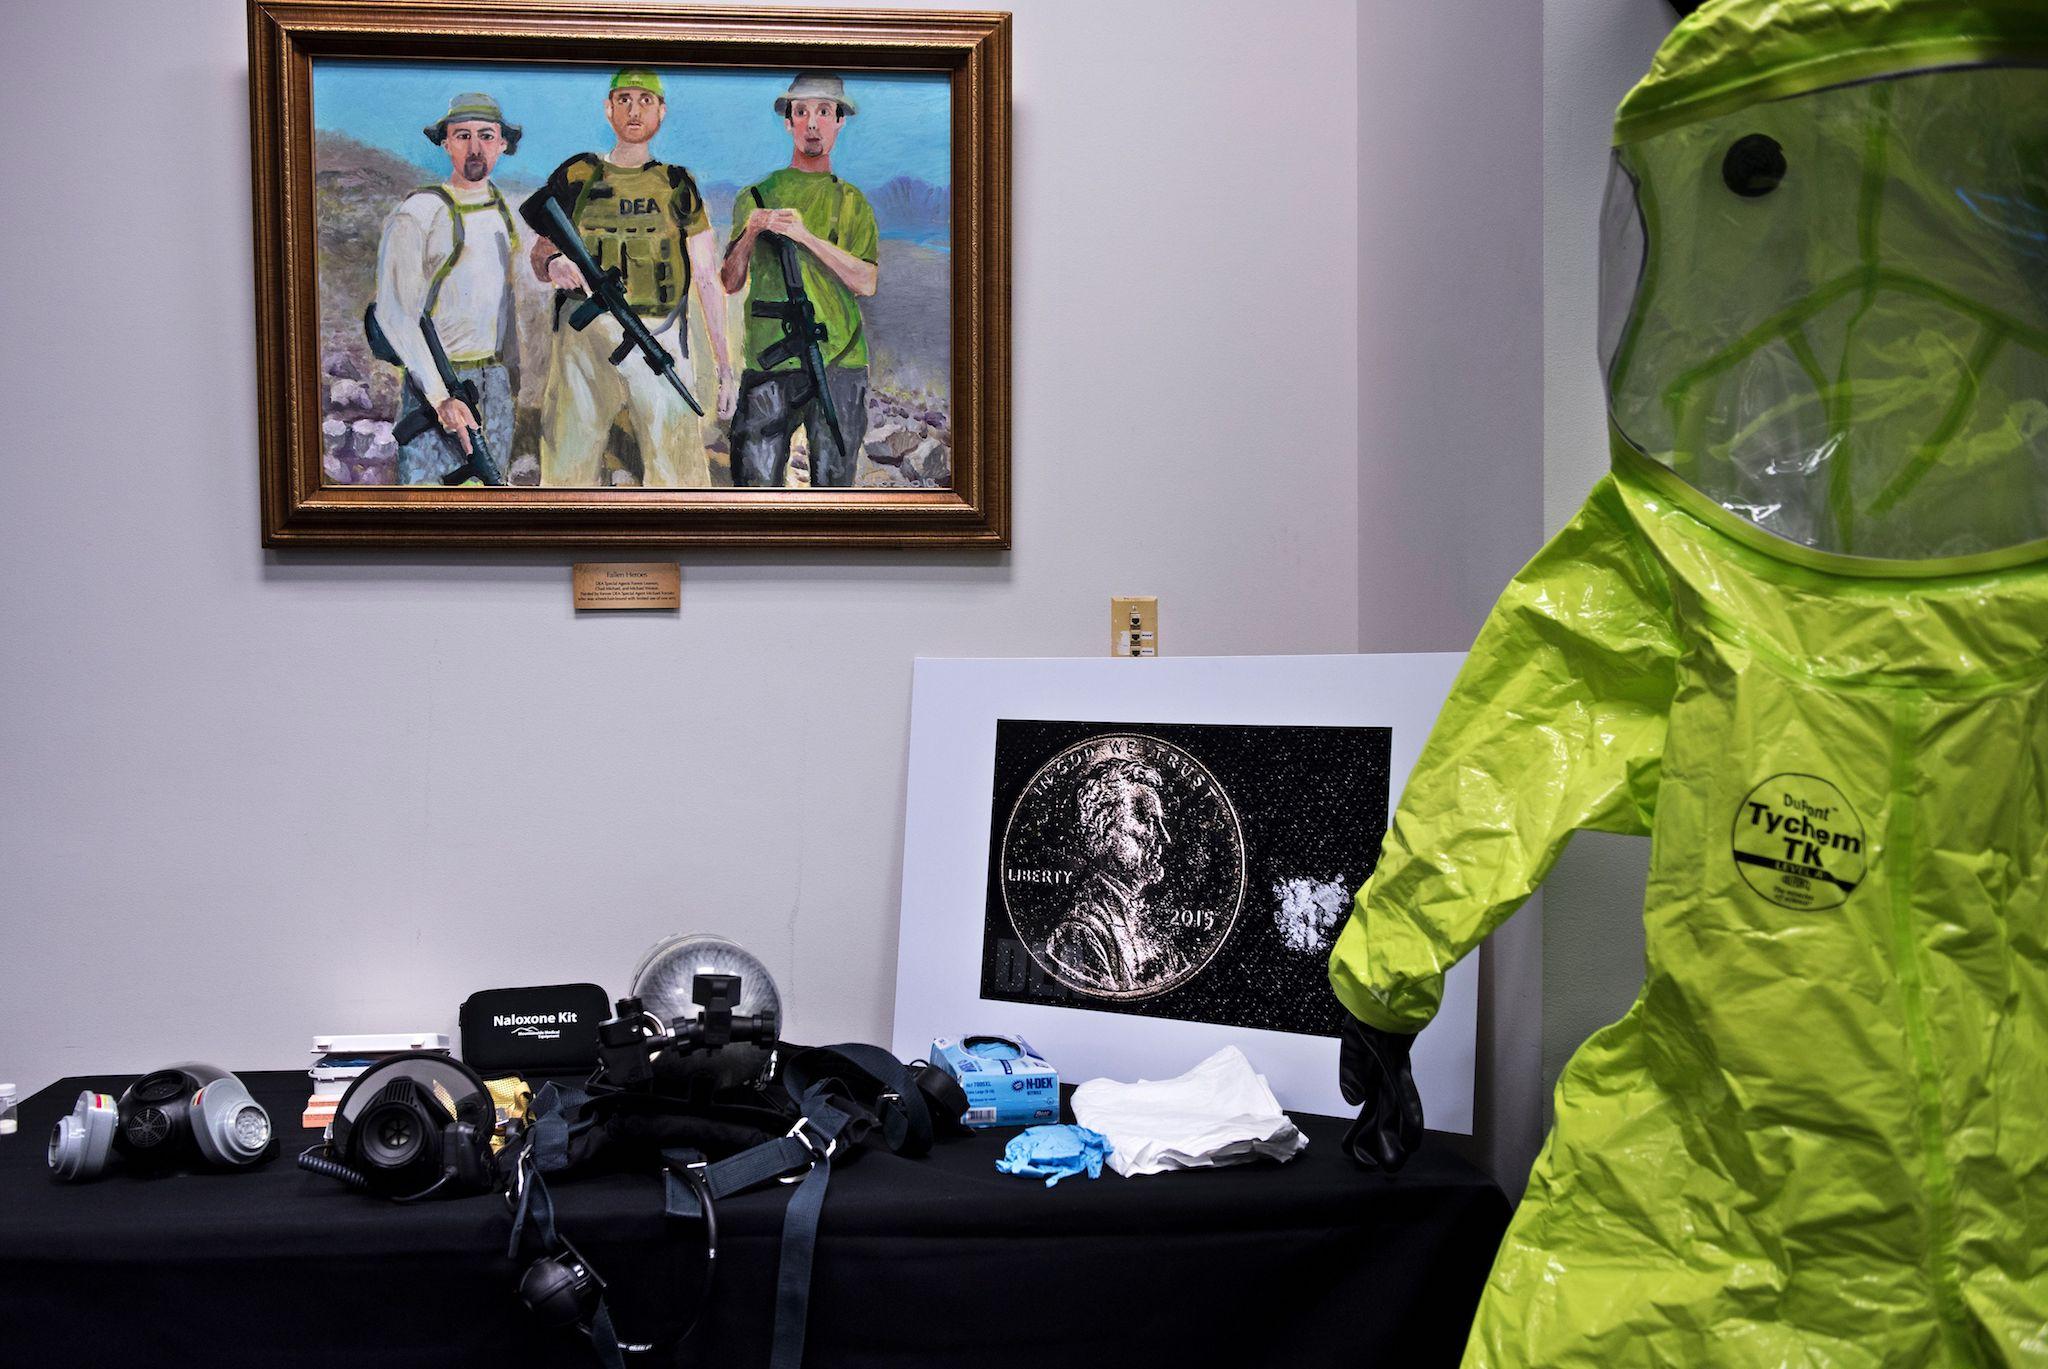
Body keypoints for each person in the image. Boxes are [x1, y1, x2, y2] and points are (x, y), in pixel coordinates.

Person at [1330, 0, 2048, 1363]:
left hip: (1745, 1209)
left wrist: (1382, 978)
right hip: (1738, 1191)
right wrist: (1387, 963)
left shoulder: (1674, 560)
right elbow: (1524, 727)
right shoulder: (1682, 561)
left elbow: (1521, 731)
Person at [519, 69, 735, 488]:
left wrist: (726, 367)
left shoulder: (677, 183)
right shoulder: (579, 174)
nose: (634, 111)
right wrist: (553, 265)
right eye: (624, 100)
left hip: (660, 332)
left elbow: (707, 277)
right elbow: (540, 251)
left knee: (679, 471)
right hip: (584, 335)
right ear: (608, 108)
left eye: (646, 101)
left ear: (662, 112)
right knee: (568, 461)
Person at [720, 73, 879, 488]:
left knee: (834, 487)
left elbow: (866, 282)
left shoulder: (852, 201)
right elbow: (730, 281)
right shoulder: (755, 195)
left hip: (842, 364)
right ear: (788, 121)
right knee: (753, 484)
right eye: (802, 112)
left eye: (824, 112)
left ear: (839, 120)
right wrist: (752, 231)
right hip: (768, 361)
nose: (812, 123)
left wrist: (804, 237)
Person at [372, 92, 521, 485]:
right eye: (462, 135)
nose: (475, 148)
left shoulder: (502, 209)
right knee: (429, 507)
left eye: (486, 136)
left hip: (493, 383)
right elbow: (395, 313)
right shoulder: (419, 212)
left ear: (503, 143)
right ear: (445, 143)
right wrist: (440, 398)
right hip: (436, 382)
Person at [1042, 758, 1189, 994]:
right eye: (1147, 821)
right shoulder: (1077, 932)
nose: (1163, 836)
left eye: (1160, 823)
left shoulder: (1152, 926)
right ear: (1102, 828)